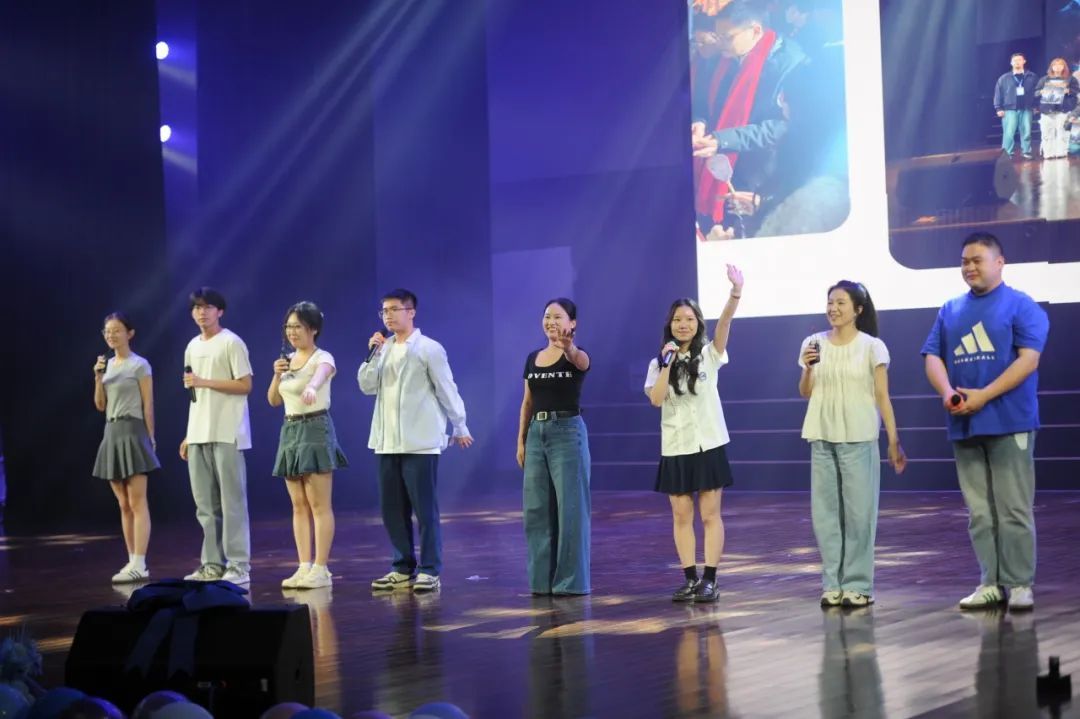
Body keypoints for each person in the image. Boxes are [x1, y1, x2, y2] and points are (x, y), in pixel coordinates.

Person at [921, 232, 1049, 611]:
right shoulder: (950, 309)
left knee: (1013, 509)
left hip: (1010, 422)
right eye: (964, 261)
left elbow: (1029, 360)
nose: (969, 267)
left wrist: (984, 395)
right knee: (979, 512)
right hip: (965, 425)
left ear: (999, 262)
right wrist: (948, 392)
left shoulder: (1021, 305)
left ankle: (1020, 583)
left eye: (977, 260)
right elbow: (932, 356)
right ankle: (990, 582)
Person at [798, 282, 906, 608]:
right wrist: (808, 368)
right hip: (821, 434)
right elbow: (805, 391)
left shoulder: (872, 347)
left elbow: (882, 396)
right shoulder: (813, 343)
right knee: (826, 515)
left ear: (858, 309)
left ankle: (859, 585)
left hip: (858, 437)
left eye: (841, 303)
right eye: (830, 302)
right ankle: (832, 583)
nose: (833, 308)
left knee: (859, 515)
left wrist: (893, 439)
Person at [359, 289, 472, 593]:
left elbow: (447, 388)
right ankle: (401, 567)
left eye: (394, 309)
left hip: (420, 441)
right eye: (384, 311)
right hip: (386, 441)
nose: (388, 315)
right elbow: (366, 386)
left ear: (411, 312)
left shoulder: (429, 348)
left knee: (424, 510)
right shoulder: (382, 350)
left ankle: (430, 569)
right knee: (392, 509)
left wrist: (460, 425)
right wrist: (372, 355)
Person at [645, 265, 743, 603]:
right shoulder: (658, 363)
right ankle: (689, 579)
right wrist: (667, 364)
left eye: (689, 319)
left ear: (698, 323)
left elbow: (725, 324)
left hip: (708, 443)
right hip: (676, 447)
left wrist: (735, 292)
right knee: (681, 516)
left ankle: (710, 580)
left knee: (710, 515)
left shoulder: (709, 354)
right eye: (677, 320)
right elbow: (656, 399)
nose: (683, 324)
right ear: (669, 325)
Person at [691, 0, 807, 237]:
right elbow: (702, 97)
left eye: (727, 37)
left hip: (756, 172)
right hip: (714, 161)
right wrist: (699, 121)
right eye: (718, 36)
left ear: (755, 31)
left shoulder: (791, 62)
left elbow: (782, 126)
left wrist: (723, 140)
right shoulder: (725, 54)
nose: (720, 43)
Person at [268, 301, 348, 590]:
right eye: (288, 327)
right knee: (298, 505)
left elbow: (322, 374)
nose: (292, 332)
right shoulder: (287, 360)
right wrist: (277, 374)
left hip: (315, 427)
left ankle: (321, 568)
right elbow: (273, 400)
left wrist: (312, 386)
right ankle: (304, 566)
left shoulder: (323, 357)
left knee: (318, 504)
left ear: (313, 329)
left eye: (298, 327)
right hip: (290, 431)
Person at [517, 298, 592, 595]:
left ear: (572, 323)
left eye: (558, 317)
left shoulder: (576, 355)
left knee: (571, 509)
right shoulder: (532, 358)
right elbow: (527, 402)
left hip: (567, 432)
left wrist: (568, 348)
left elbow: (581, 362)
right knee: (536, 509)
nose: (551, 321)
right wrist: (521, 440)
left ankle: (570, 584)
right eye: (547, 316)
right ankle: (541, 582)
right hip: (537, 433)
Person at [180, 287, 254, 585]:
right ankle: (211, 564)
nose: (202, 312)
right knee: (205, 506)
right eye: (197, 308)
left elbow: (245, 385)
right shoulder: (191, 346)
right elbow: (194, 397)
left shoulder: (232, 342)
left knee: (231, 502)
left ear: (219, 311)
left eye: (208, 307)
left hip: (227, 432)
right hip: (199, 433)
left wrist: (204, 381)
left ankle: (238, 565)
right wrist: (189, 434)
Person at [91, 312, 160, 583]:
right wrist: (98, 377)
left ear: (129, 334)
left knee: (137, 501)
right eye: (107, 331)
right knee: (123, 503)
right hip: (112, 431)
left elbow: (148, 404)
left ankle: (140, 562)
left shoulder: (139, 365)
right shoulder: (106, 366)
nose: (111, 335)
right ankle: (131, 560)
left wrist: (150, 437)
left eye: (116, 330)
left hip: (133, 430)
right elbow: (100, 405)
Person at [993, 53, 1039, 160]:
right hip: (1009, 109)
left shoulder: (1032, 76)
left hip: (1027, 108)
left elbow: (1037, 92)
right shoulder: (1004, 78)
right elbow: (998, 93)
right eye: (1015, 60)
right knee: (1009, 133)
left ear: (1024, 61)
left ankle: (1026, 151)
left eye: (1019, 60)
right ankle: (1007, 153)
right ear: (1011, 63)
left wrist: (1036, 106)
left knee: (1026, 132)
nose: (1017, 62)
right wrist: (998, 108)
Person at [1034, 57, 1079, 160]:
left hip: (1063, 110)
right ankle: (1048, 153)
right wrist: (1041, 92)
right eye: (1055, 65)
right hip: (1047, 110)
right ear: (1051, 67)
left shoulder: (1071, 79)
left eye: (1060, 65)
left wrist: (1068, 91)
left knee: (1062, 132)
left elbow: (1076, 91)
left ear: (1064, 67)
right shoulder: (1044, 79)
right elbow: (1035, 93)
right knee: (1047, 133)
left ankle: (1061, 152)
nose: (1057, 67)